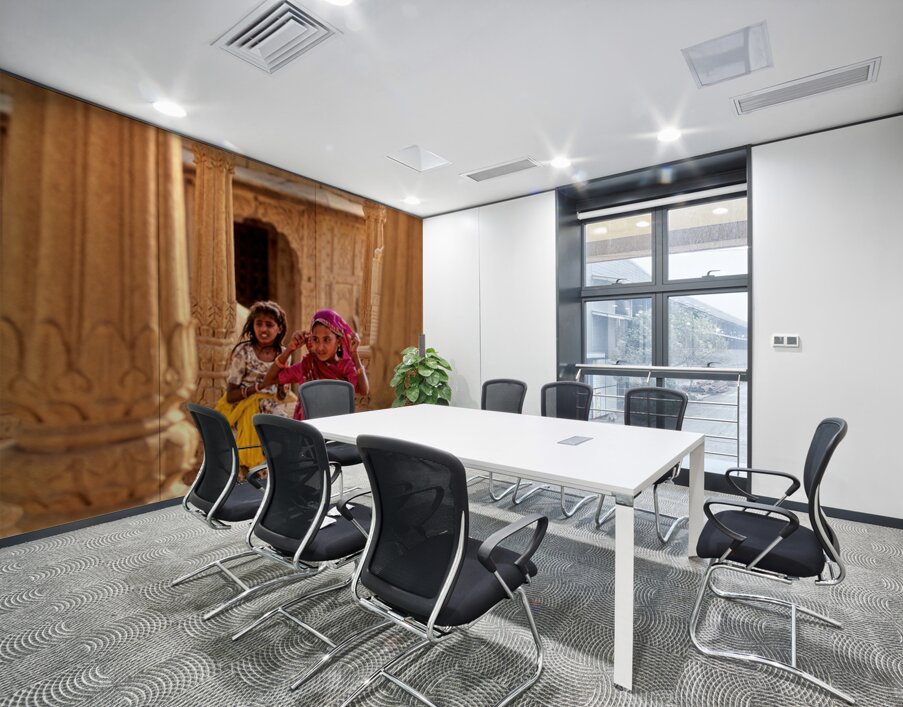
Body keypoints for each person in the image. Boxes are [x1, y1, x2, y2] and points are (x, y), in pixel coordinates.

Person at [214, 300, 291, 469]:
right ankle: (247, 476)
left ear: (279, 329)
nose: (263, 329)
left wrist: (282, 385)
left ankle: (271, 478)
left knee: (291, 434)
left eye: (269, 325)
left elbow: (281, 397)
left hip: (269, 406)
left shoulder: (283, 354)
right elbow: (231, 394)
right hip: (241, 407)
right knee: (250, 435)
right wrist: (260, 387)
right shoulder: (244, 352)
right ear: (253, 326)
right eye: (259, 324)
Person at [261, 308, 369, 419]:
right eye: (315, 339)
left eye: (327, 339)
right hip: (308, 431)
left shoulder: (345, 366)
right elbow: (268, 380)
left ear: (339, 341)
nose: (320, 347)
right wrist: (290, 349)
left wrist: (355, 355)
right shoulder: (307, 366)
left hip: (335, 430)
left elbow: (364, 390)